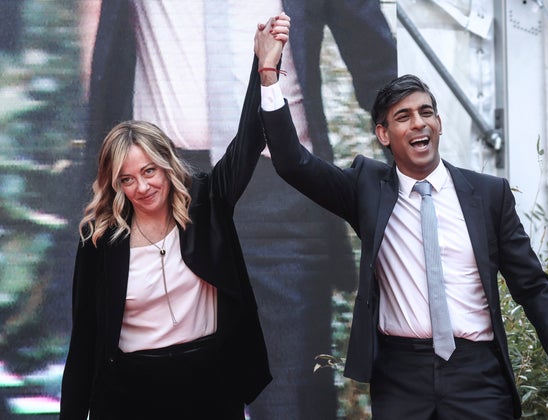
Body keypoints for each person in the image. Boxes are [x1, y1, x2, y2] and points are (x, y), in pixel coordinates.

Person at [79, 2, 396, 418]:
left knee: (291, 399)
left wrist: (417, 186)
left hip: (282, 193)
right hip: (166, 197)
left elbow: (375, 63)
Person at [261, 73, 548, 419]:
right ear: (384, 135)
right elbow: (292, 162)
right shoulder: (367, 189)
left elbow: (533, 286)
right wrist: (269, 78)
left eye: (426, 112)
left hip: (478, 375)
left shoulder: (488, 194)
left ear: (439, 122)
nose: (419, 123)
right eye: (403, 117)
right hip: (401, 376)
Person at [59, 14, 290, 419]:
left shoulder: (207, 203)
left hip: (208, 385)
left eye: (149, 171)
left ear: (167, 165)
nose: (142, 187)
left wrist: (265, 68)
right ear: (115, 185)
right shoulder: (100, 240)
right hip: (130, 395)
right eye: (127, 179)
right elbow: (84, 347)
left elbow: (249, 139)